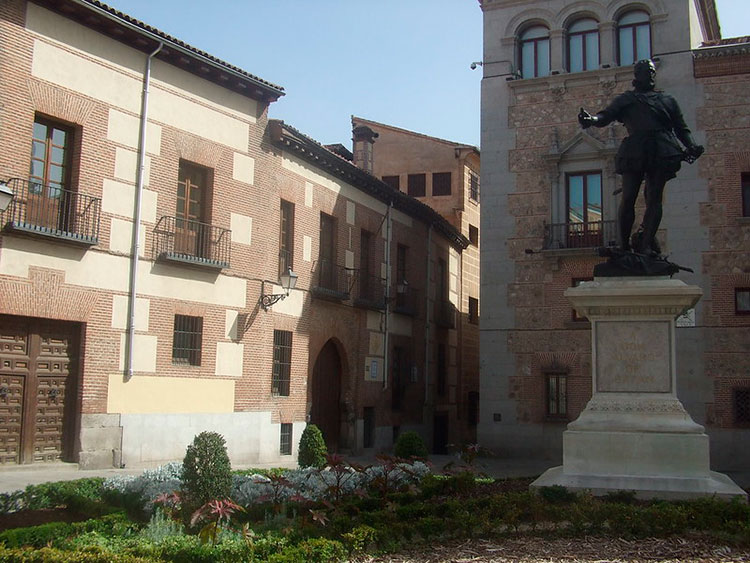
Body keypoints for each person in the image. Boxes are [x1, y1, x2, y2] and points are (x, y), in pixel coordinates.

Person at [578, 59, 703, 255]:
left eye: (653, 71)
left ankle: (645, 244)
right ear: (638, 75)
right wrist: (591, 120)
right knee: (628, 197)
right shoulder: (627, 99)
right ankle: (624, 245)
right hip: (635, 150)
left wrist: (692, 145)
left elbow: (681, 128)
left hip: (662, 150)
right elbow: (606, 116)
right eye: (647, 71)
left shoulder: (668, 100)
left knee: (654, 198)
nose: (652, 75)